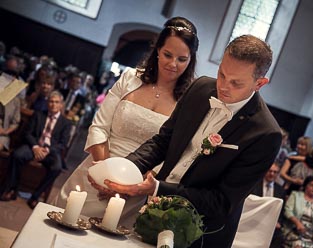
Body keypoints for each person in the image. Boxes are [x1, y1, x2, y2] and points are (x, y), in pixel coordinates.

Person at [92, 34, 282, 248]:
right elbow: (163, 141)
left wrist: (157, 188)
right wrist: (121, 171)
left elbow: (221, 202)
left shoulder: (266, 134)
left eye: (236, 83)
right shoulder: (200, 88)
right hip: (151, 215)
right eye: (221, 74)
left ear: (260, 83)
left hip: (199, 234)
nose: (223, 86)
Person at [54, 16, 199, 227]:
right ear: (158, 49)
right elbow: (100, 126)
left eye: (182, 59)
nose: (173, 64)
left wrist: (131, 187)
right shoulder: (130, 77)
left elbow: (172, 152)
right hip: (97, 169)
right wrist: (105, 175)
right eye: (168, 54)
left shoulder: (188, 101)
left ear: (190, 59)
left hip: (136, 189)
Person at [0, 91, 71, 209]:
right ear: (47, 103)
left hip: (50, 151)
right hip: (33, 146)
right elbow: (28, 134)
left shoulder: (66, 123)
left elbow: (62, 143)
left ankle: (35, 196)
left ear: (61, 105)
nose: (53, 104)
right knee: (17, 155)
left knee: (57, 168)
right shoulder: (38, 115)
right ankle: (12, 189)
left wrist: (47, 150)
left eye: (56, 102)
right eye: (51, 102)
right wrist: (36, 147)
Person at [283, 176, 313, 248]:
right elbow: (287, 210)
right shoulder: (295, 195)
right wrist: (297, 223)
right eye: (312, 185)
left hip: (311, 237)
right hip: (294, 233)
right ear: (306, 186)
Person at [248, 163, 286, 247]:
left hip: (272, 224)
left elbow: (282, 212)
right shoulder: (255, 185)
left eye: (275, 172)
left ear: (278, 174)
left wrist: (278, 222)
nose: (272, 174)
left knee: (279, 236)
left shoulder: (281, 190)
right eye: (270, 171)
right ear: (265, 171)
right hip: (255, 219)